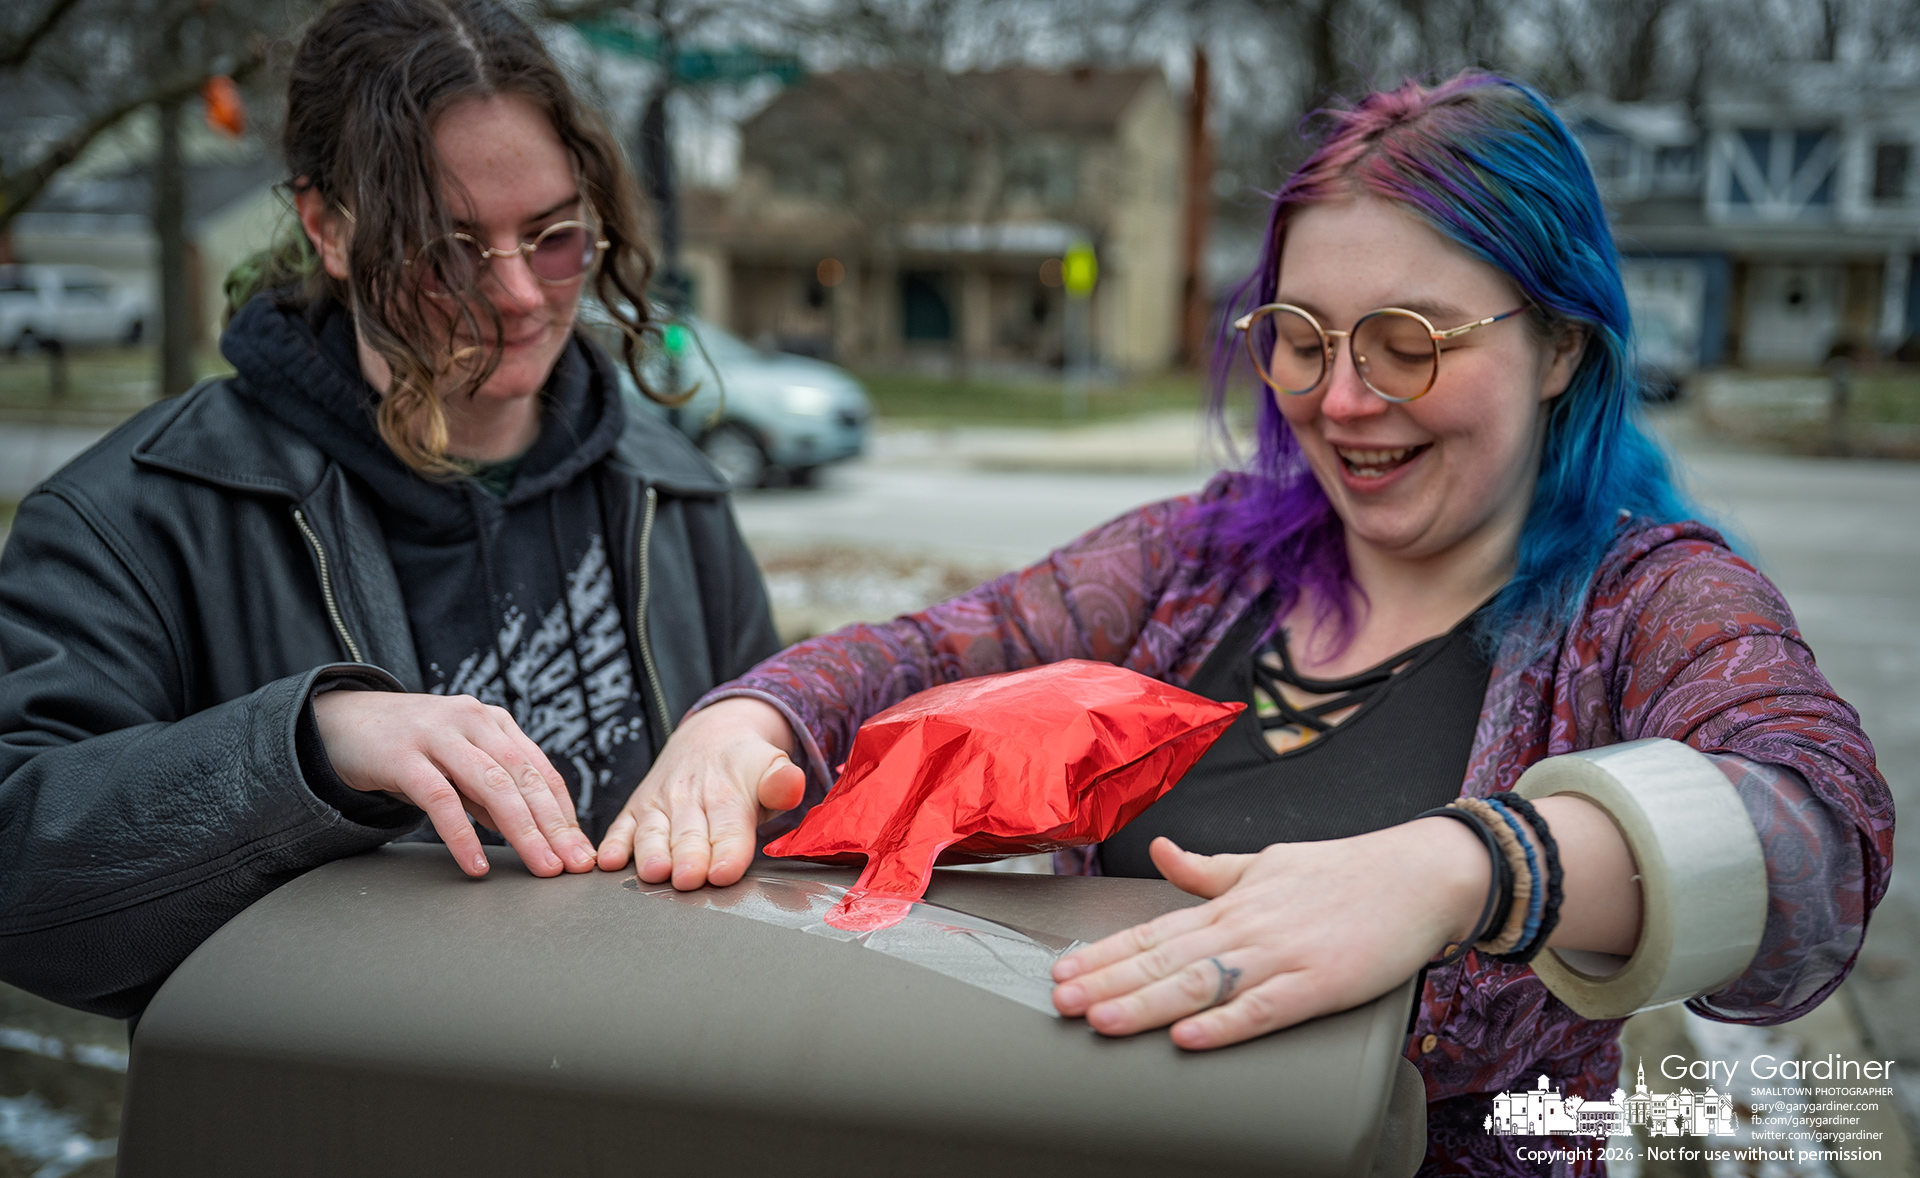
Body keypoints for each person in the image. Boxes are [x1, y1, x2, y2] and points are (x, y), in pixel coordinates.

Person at [597, 74, 1891, 1172]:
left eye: (1407, 339)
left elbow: (1817, 843)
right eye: (1302, 338)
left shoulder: (1645, 596)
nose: (1342, 400)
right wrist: (748, 718)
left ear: (1560, 344)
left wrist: (1467, 868)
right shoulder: (1201, 559)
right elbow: (933, 649)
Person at [0, 0, 781, 1019]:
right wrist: (307, 748)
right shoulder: (139, 513)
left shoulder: (666, 488)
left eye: (553, 238)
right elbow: (23, 875)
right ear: (327, 227)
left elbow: (772, 803)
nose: (517, 296)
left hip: (634, 1095)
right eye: (448, 252)